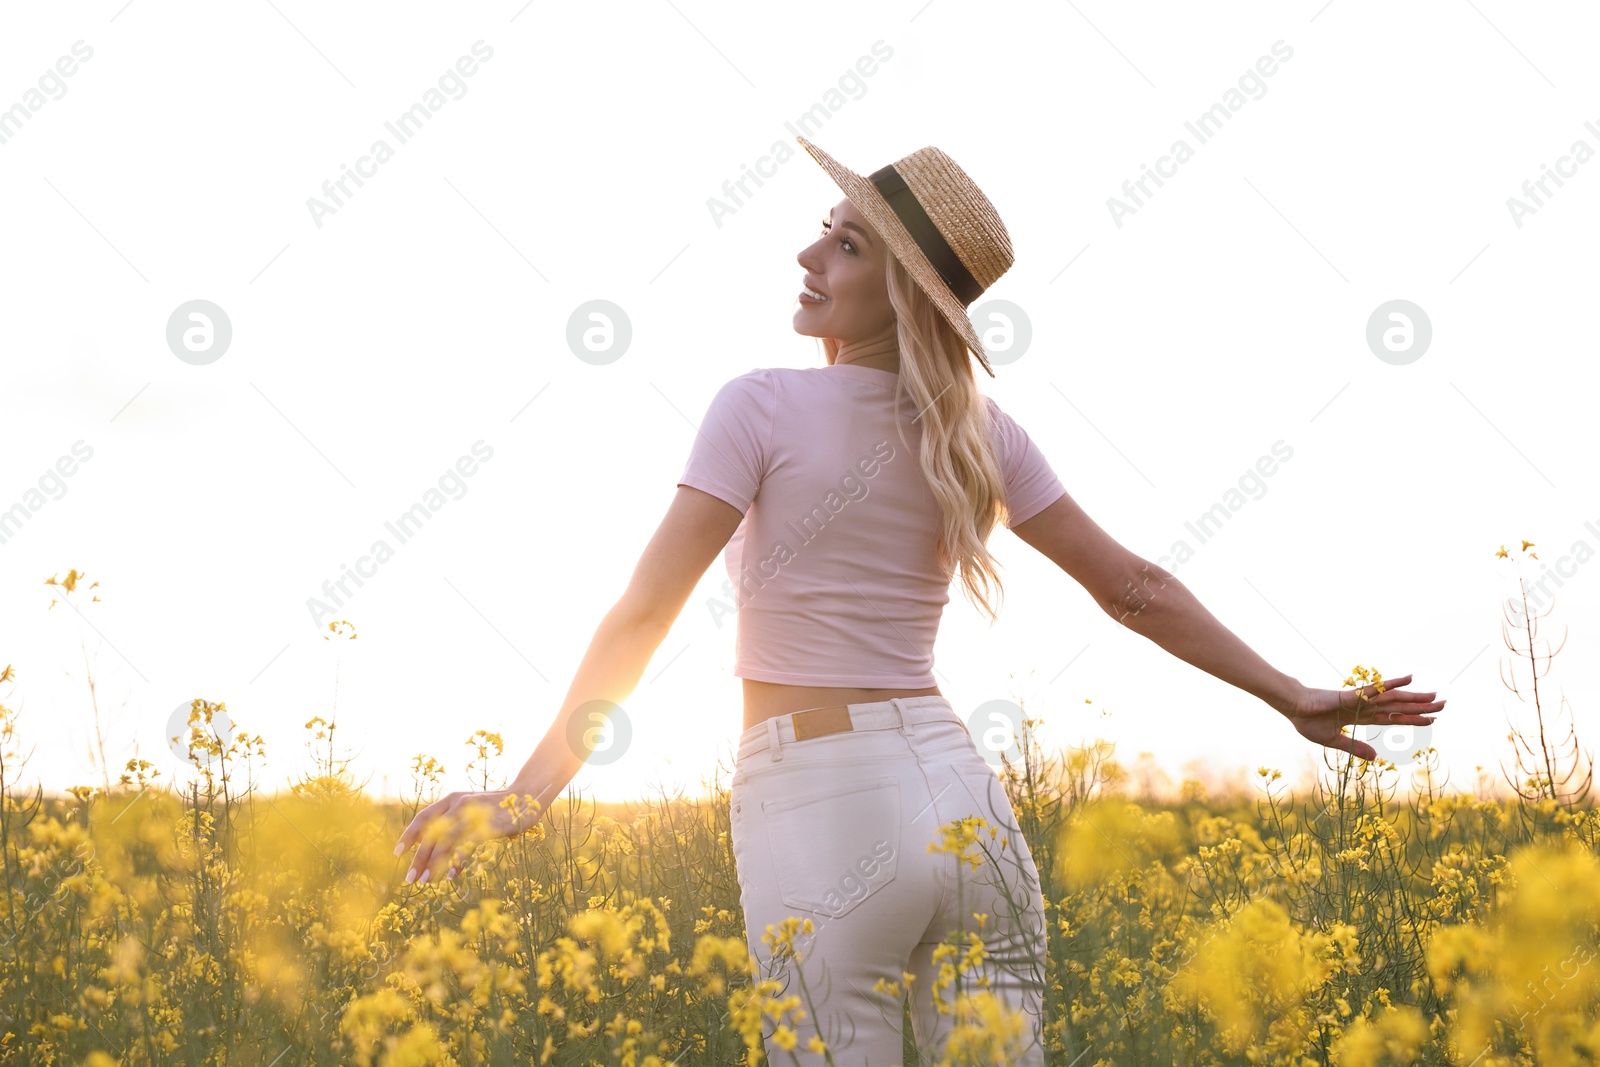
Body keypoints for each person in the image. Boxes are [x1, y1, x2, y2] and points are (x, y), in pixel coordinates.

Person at [393, 137, 1448, 1065]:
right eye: (824, 230)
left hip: (815, 799)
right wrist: (1284, 692)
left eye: (846, 246)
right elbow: (1133, 586)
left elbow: (641, 613)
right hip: (964, 807)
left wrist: (528, 793)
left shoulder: (758, 403)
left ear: (900, 291)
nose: (809, 257)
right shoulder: (981, 430)